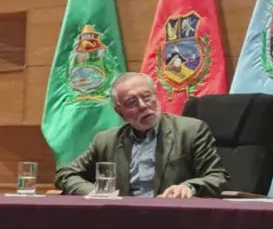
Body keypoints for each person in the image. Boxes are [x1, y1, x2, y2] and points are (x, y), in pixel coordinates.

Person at [55, 72, 230, 198]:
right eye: (132, 102)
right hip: (122, 220)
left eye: (147, 97)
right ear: (120, 112)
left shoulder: (191, 131)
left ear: (156, 96)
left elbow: (218, 177)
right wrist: (91, 191)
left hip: (173, 218)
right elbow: (66, 174)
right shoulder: (105, 141)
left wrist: (189, 187)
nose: (143, 106)